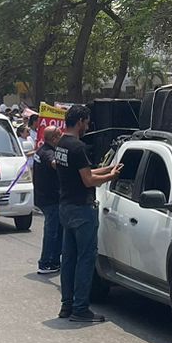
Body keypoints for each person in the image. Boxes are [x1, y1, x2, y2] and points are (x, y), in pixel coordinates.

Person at [53, 104, 120, 324]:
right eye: (87, 121)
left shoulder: (61, 144)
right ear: (80, 121)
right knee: (85, 259)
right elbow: (88, 180)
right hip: (82, 209)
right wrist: (110, 177)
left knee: (69, 259)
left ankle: (67, 305)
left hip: (66, 207)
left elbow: (85, 171)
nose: (89, 125)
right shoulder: (78, 147)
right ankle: (81, 308)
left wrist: (108, 169)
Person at [32, 124, 63, 275]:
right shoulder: (47, 153)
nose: (62, 137)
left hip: (44, 197)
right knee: (52, 232)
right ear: (54, 138)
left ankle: (55, 261)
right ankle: (45, 262)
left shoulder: (41, 150)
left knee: (57, 229)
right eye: (59, 135)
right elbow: (53, 163)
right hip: (50, 199)